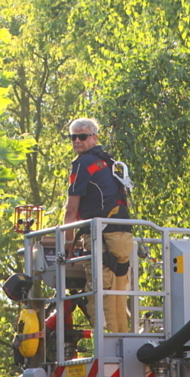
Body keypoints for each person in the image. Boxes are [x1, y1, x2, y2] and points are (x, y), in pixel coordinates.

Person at [63, 118, 133, 333]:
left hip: (101, 238)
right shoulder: (109, 163)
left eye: (82, 136)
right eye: (72, 137)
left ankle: (108, 346)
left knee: (101, 294)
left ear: (94, 137)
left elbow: (71, 209)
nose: (76, 141)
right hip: (121, 237)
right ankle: (122, 340)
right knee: (118, 295)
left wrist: (66, 243)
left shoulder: (83, 164)